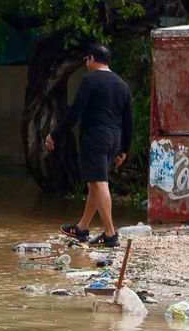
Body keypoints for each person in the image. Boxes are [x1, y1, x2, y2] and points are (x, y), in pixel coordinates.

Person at [44, 43, 133, 248]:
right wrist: (124, 149)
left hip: (95, 137)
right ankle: (82, 228)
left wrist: (55, 135)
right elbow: (129, 120)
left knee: (100, 182)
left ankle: (110, 233)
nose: (86, 63)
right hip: (114, 139)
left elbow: (75, 112)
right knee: (94, 182)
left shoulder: (90, 80)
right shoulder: (122, 84)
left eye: (86, 59)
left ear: (92, 59)